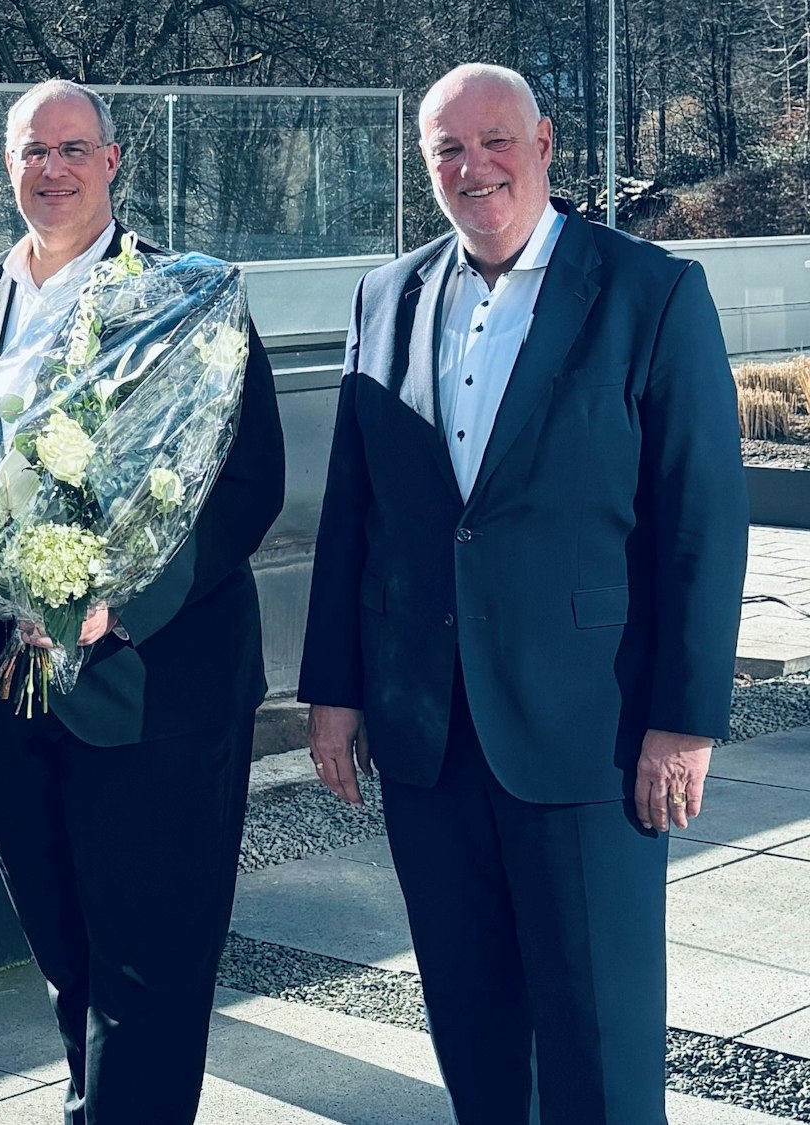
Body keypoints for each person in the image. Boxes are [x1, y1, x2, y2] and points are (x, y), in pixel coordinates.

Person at [298, 63, 747, 1124]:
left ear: (544, 143)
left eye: (494, 140)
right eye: (447, 150)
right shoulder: (384, 293)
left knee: (598, 1042)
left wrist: (681, 723)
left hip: (587, 730)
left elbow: (699, 521)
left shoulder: (648, 291)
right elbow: (353, 516)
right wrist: (333, 689)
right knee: (470, 1028)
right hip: (425, 732)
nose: (473, 166)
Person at [0, 79, 286, 1123]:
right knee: (62, 950)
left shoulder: (184, 293)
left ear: (112, 161)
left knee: (149, 965)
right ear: (7, 164)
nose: (53, 168)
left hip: (150, 683)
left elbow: (245, 479)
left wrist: (117, 605)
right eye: (33, 150)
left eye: (74, 148)